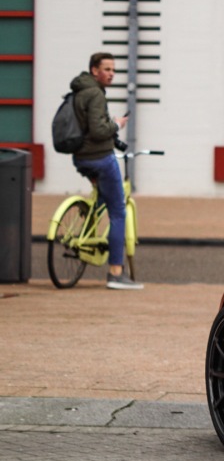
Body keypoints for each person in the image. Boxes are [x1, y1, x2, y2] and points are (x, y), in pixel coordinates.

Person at [69, 52, 143, 290]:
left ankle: (87, 229)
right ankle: (116, 272)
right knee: (118, 211)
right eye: (107, 69)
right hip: (100, 157)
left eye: (113, 70)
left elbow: (90, 125)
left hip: (81, 158)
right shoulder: (95, 94)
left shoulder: (80, 91)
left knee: (103, 198)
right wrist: (116, 124)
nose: (111, 74)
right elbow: (99, 131)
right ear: (94, 70)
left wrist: (105, 123)